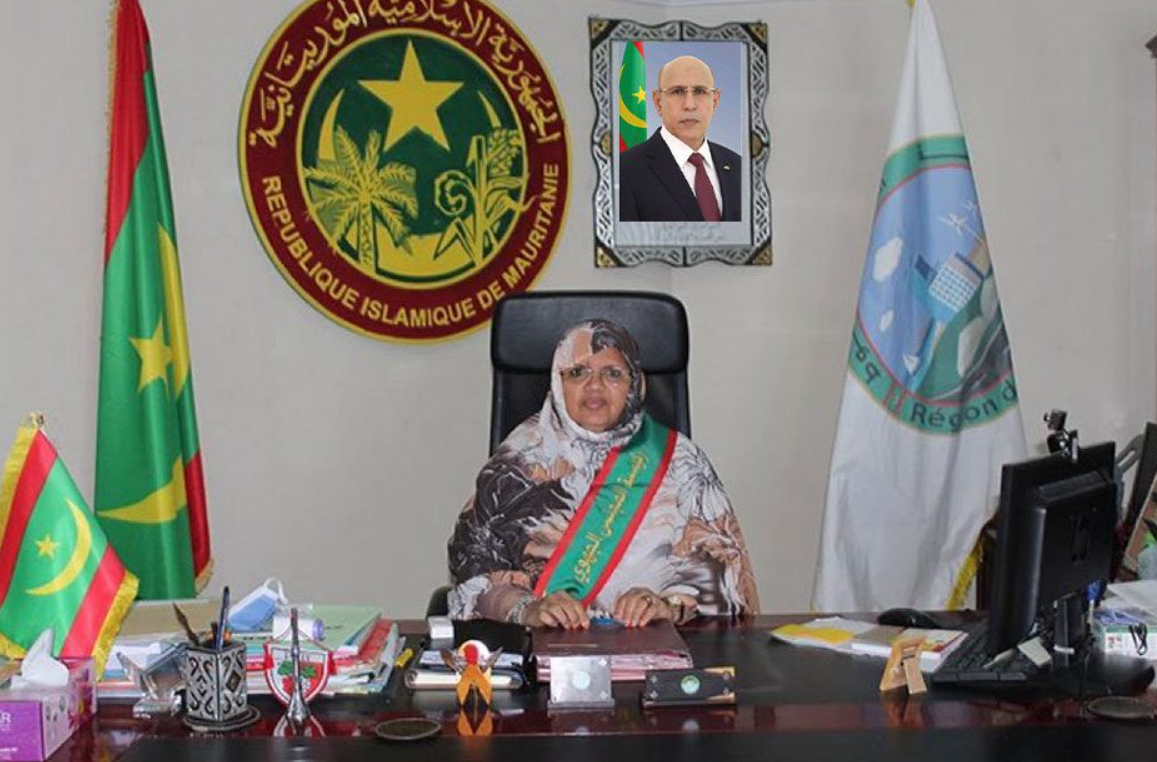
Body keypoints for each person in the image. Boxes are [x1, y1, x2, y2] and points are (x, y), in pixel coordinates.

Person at [447, 320, 759, 629]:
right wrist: (527, 609)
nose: (594, 386)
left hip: (656, 647)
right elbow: (473, 575)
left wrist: (669, 606)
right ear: (557, 383)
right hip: (540, 646)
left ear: (635, 384)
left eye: (612, 374)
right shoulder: (516, 463)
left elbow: (731, 587)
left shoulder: (682, 460)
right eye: (577, 372)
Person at [619, 55, 742, 222]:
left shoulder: (740, 167)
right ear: (658, 102)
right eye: (677, 91)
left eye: (700, 91)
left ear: (714, 101)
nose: (689, 105)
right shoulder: (624, 170)